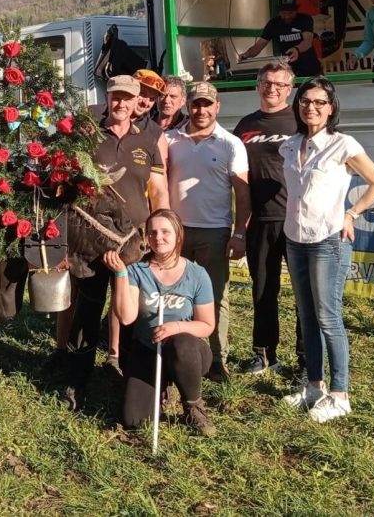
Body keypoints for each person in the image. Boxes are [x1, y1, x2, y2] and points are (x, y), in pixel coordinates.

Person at [279, 77, 374, 422]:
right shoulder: (290, 144)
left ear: (331, 107)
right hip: (295, 238)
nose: (311, 107)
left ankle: (340, 394)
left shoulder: (343, 144)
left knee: (328, 317)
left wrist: (352, 214)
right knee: (306, 315)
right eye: (305, 101)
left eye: (319, 102)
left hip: (328, 239)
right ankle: (314, 386)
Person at [63, 74, 169, 410]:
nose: (121, 103)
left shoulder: (147, 142)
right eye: (115, 97)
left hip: (135, 242)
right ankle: (77, 379)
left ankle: (136, 379)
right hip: (94, 241)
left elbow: (159, 190)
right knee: (87, 309)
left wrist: (162, 231)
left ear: (137, 100)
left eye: (127, 97)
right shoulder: (89, 136)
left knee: (134, 312)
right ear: (107, 98)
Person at [104, 209, 217, 436]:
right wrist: (120, 275)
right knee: (134, 420)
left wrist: (176, 327)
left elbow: (206, 325)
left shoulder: (197, 274)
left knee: (181, 343)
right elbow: (126, 317)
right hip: (148, 349)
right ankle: (163, 388)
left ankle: (193, 406)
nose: (159, 237)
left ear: (178, 235)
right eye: (153, 232)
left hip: (189, 353)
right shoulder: (137, 271)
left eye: (165, 232)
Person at [166, 81, 250, 382]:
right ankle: (177, 356)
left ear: (218, 107)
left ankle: (217, 361)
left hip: (214, 232)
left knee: (214, 297)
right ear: (188, 105)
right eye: (196, 104)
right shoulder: (170, 139)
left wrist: (239, 233)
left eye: (207, 104)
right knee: (174, 296)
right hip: (175, 234)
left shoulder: (230, 144)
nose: (201, 110)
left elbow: (242, 194)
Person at [233, 59, 304, 376]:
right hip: (260, 220)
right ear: (257, 85)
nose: (272, 88)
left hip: (298, 220)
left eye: (279, 84)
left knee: (305, 294)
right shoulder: (245, 125)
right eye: (266, 82)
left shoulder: (301, 122)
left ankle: (306, 360)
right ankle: (264, 355)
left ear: (290, 89)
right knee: (263, 289)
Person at [239, 0, 322, 76]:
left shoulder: (305, 19)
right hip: (289, 73)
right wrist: (246, 55)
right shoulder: (273, 24)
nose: (287, 16)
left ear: (296, 10)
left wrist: (297, 49)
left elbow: (307, 42)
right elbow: (257, 47)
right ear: (279, 11)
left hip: (312, 70)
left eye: (290, 13)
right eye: (284, 13)